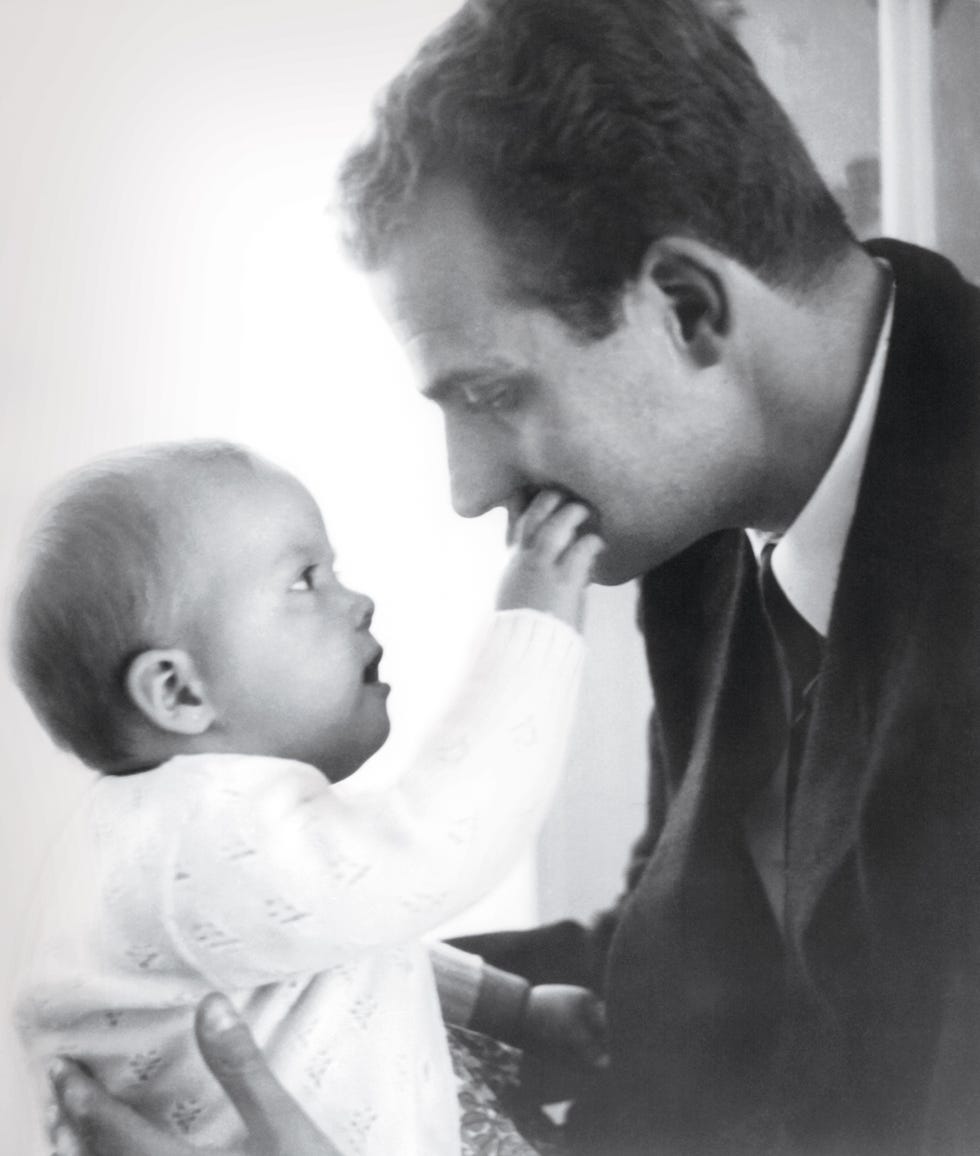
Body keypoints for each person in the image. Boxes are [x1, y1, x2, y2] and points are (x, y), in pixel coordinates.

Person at [47, 0, 980, 1151]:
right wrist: (226, 1018)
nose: (466, 489)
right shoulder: (701, 518)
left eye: (490, 393)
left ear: (684, 309)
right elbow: (679, 973)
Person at [10, 440, 608, 1156]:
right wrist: (534, 625)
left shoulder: (176, 846)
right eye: (305, 580)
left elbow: (337, 950)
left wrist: (511, 1008)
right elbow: (429, 847)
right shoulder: (188, 840)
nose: (358, 603)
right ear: (177, 691)